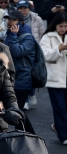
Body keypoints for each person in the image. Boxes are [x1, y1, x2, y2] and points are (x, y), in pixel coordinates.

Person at [4, 10, 36, 134]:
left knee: (17, 111)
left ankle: (26, 136)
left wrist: (13, 36)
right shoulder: (10, 34)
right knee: (16, 110)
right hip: (12, 78)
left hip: (23, 79)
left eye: (12, 20)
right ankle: (25, 135)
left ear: (21, 22)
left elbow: (17, 52)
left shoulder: (27, 37)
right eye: (8, 19)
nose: (9, 22)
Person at [39, 12, 67, 145]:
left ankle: (58, 126)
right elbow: (44, 56)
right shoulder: (47, 37)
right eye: (60, 26)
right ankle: (63, 136)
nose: (63, 29)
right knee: (59, 108)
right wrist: (58, 49)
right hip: (54, 79)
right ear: (55, 25)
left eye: (65, 26)